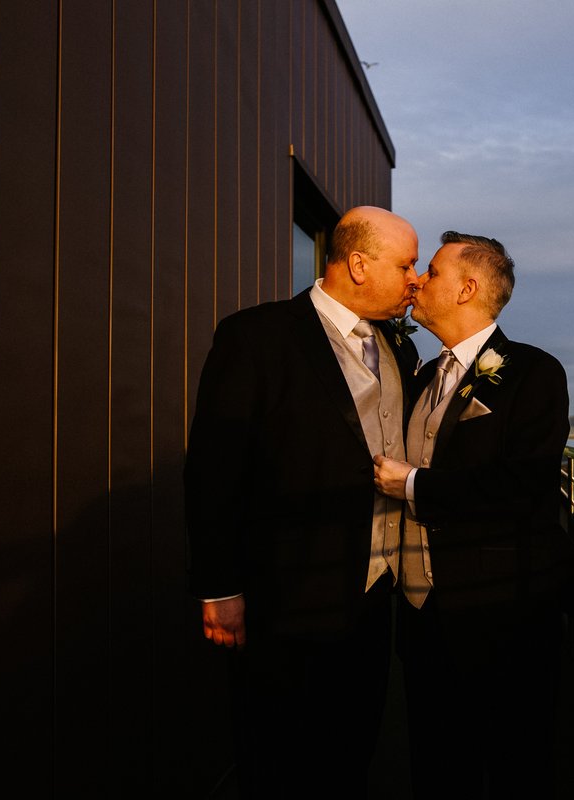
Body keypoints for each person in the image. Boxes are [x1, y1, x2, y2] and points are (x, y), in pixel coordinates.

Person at [184, 206, 421, 798]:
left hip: (374, 594)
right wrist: (220, 586)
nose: (415, 277)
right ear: (359, 265)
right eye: (406, 264)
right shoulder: (256, 336)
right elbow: (214, 469)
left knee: (351, 753)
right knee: (280, 759)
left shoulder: (398, 345)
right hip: (285, 598)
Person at [374, 231, 574, 798]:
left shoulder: (532, 373)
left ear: (469, 287)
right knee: (439, 766)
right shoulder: (420, 375)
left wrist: (416, 484)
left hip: (502, 613)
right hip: (422, 617)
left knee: (518, 766)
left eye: (434, 272)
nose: (418, 280)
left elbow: (523, 485)